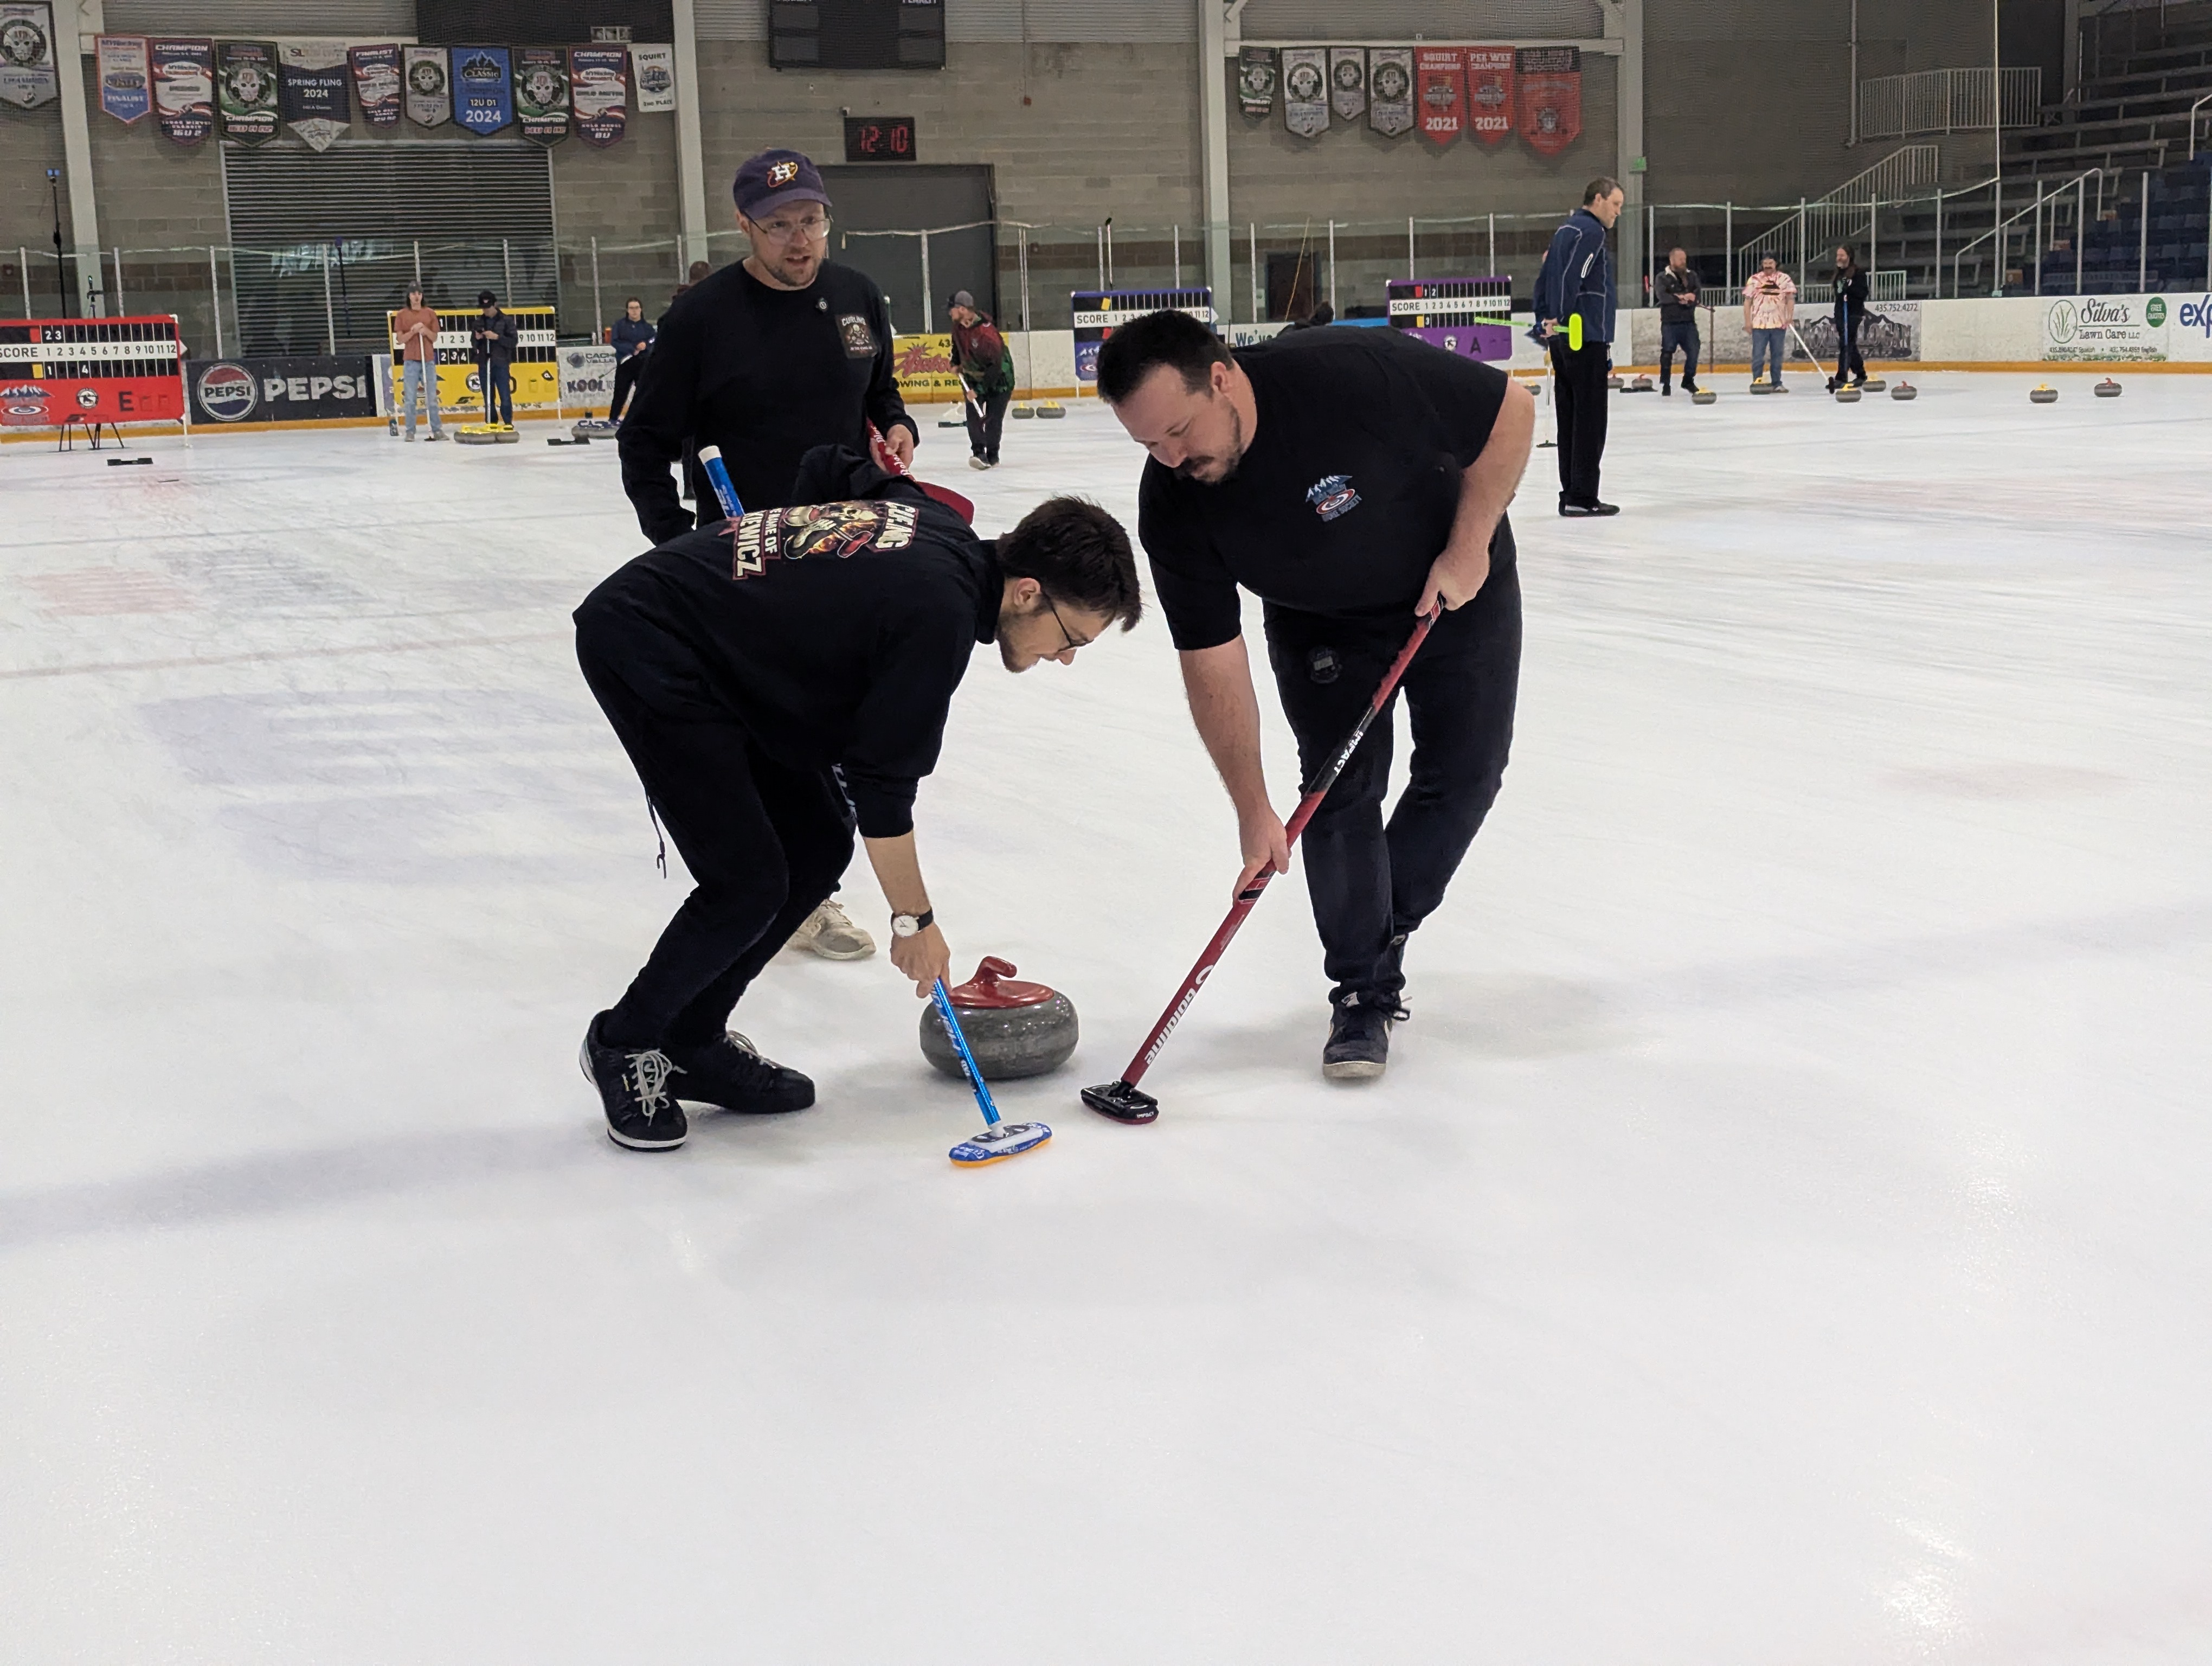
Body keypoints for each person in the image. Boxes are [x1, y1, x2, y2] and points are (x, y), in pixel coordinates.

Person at [572, 446, 1142, 1150]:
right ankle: (626, 1041)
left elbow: (832, 466)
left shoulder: (940, 522)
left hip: (726, 654)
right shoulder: (937, 613)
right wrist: (915, 923)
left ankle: (693, 1038)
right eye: (1070, 637)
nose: (1065, 657)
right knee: (746, 880)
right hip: (651, 643)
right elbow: (882, 789)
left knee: (816, 846)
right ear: (1027, 591)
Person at [1096, 310, 1532, 1081]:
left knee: (1466, 774)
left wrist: (1468, 549)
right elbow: (1211, 657)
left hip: (1453, 583)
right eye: (1148, 445)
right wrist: (1252, 807)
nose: (1170, 457)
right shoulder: (1174, 501)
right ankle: (1363, 988)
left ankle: (1382, 927)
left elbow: (1511, 413)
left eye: (1179, 431)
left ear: (1222, 378)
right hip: (1317, 621)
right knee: (1338, 794)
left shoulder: (1350, 373)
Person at [619, 148, 922, 966]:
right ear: (745, 227)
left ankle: (801, 879)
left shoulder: (856, 296)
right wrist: (674, 536)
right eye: (780, 225)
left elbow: (879, 394)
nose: (801, 240)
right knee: (770, 722)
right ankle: (803, 893)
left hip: (846, 544)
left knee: (831, 713)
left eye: (812, 221)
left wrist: (898, 430)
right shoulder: (704, 318)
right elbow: (645, 438)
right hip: (745, 558)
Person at [1531, 177, 1623, 517]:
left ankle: (1570, 493)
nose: (1617, 213)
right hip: (1584, 334)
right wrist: (1559, 315)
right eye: (1615, 205)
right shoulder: (1592, 232)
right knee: (1589, 419)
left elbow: (1547, 275)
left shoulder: (1564, 231)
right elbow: (1573, 274)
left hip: (1562, 337)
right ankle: (1583, 497)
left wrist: (1544, 317)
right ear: (1597, 200)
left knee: (1569, 417)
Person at [946, 289, 1014, 471]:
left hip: (999, 380)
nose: (949, 313)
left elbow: (996, 367)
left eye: (951, 309)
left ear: (961, 309)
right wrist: (956, 363)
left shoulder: (986, 335)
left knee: (993, 419)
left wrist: (979, 391)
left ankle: (993, 455)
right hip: (973, 378)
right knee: (973, 417)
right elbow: (957, 347)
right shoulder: (958, 328)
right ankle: (978, 453)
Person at [392, 283, 445, 441]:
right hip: (411, 361)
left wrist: (425, 330)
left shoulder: (430, 313)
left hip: (428, 360)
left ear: (422, 296)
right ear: (409, 296)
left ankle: (437, 430)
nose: (416, 296)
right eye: (413, 293)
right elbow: (400, 340)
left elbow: (434, 337)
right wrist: (413, 331)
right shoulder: (402, 315)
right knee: (410, 399)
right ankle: (410, 431)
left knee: (432, 397)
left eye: (419, 293)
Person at [1743, 256, 1796, 392]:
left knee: (1777, 355)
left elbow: (1790, 299)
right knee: (1758, 355)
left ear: (1776, 264)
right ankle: (1757, 381)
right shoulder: (1754, 280)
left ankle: (1777, 383)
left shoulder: (1785, 279)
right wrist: (1748, 322)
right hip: (1759, 325)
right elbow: (1747, 302)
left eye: (1770, 263)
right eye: (1765, 263)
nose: (1768, 266)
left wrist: (1790, 317)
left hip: (1779, 323)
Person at [1655, 247, 1701, 397]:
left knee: (1694, 351)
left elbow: (1697, 295)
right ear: (1672, 260)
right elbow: (1663, 297)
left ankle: (1688, 380)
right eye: (1681, 259)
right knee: (1667, 352)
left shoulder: (1692, 276)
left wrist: (1688, 300)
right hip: (1670, 322)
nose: (1683, 262)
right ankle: (1666, 383)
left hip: (1688, 322)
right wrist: (1681, 298)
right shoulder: (1662, 278)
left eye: (1685, 259)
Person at [470, 289, 517, 426]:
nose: (486, 311)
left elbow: (513, 342)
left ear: (495, 304)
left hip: (501, 363)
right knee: (488, 397)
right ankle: (491, 422)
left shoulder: (507, 321)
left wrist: (497, 337)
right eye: (484, 308)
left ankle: (508, 422)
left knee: (505, 395)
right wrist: (478, 339)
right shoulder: (478, 322)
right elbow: (474, 344)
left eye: (489, 307)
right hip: (484, 363)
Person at [1828, 245, 1869, 390]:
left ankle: (1841, 377)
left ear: (1849, 256)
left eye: (1842, 255)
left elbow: (1863, 293)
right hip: (1841, 312)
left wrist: (1850, 289)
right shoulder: (1838, 274)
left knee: (1846, 343)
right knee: (1848, 343)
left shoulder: (1858, 273)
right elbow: (1838, 293)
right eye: (1838, 255)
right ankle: (1860, 373)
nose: (1839, 258)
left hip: (1853, 312)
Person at [607, 296, 654, 422]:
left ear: (641, 309)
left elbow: (654, 340)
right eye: (631, 308)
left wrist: (646, 346)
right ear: (627, 310)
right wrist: (632, 348)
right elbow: (615, 341)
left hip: (643, 364)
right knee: (620, 393)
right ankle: (613, 419)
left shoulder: (648, 327)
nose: (634, 311)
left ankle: (642, 419)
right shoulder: (619, 325)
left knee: (643, 394)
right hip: (625, 364)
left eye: (637, 308)